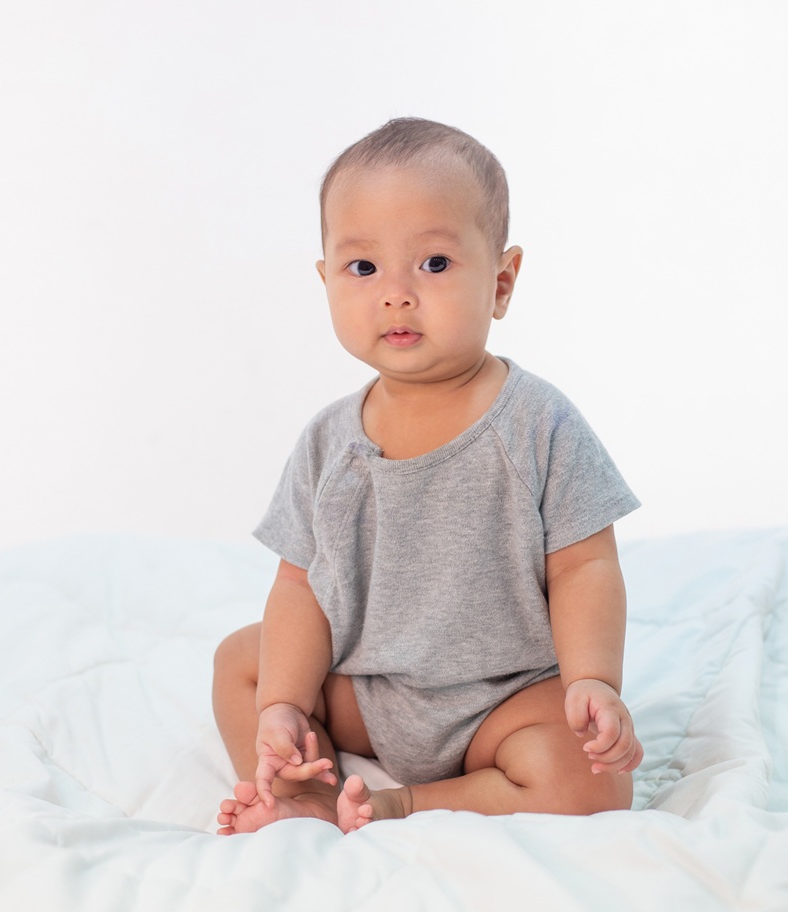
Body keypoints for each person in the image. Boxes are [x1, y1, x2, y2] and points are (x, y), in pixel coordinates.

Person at [213, 117, 643, 836]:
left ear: (501, 282)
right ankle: (303, 791)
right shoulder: (328, 442)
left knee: (590, 780)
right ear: (326, 281)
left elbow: (584, 567)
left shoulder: (536, 422)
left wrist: (594, 680)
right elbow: (300, 587)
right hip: (370, 689)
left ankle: (404, 804)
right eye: (363, 268)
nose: (396, 294)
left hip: (504, 699)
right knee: (243, 664)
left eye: (435, 263)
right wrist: (284, 704)